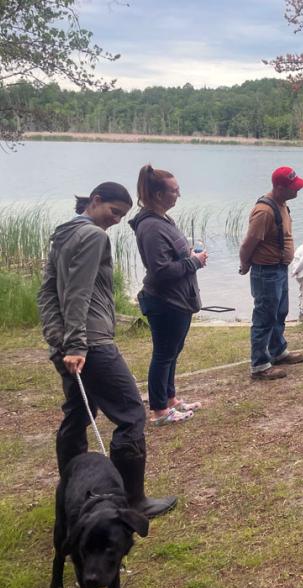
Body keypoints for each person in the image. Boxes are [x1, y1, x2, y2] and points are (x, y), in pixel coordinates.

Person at [37, 181, 176, 518]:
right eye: (114, 212)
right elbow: (78, 293)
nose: (116, 220)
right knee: (130, 413)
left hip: (70, 342)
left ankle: (72, 494)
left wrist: (57, 338)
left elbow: (47, 293)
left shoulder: (63, 234)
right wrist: (75, 344)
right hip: (91, 344)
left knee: (77, 413)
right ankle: (131, 501)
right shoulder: (93, 236)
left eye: (122, 215)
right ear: (95, 201)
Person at [130, 165, 206, 426]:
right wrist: (194, 262)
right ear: (158, 194)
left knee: (172, 351)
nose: (178, 195)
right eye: (174, 191)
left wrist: (191, 258)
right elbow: (161, 270)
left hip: (177, 300)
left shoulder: (162, 220)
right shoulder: (151, 227)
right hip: (165, 302)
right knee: (163, 354)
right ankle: (159, 411)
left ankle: (170, 399)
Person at [239, 166, 303, 379]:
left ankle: (278, 351)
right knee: (264, 317)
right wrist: (245, 264)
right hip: (266, 272)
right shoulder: (265, 211)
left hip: (279, 269)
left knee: (280, 312)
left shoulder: (282, 205)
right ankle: (259, 365)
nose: (297, 190)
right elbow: (248, 243)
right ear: (279, 187)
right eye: (293, 187)